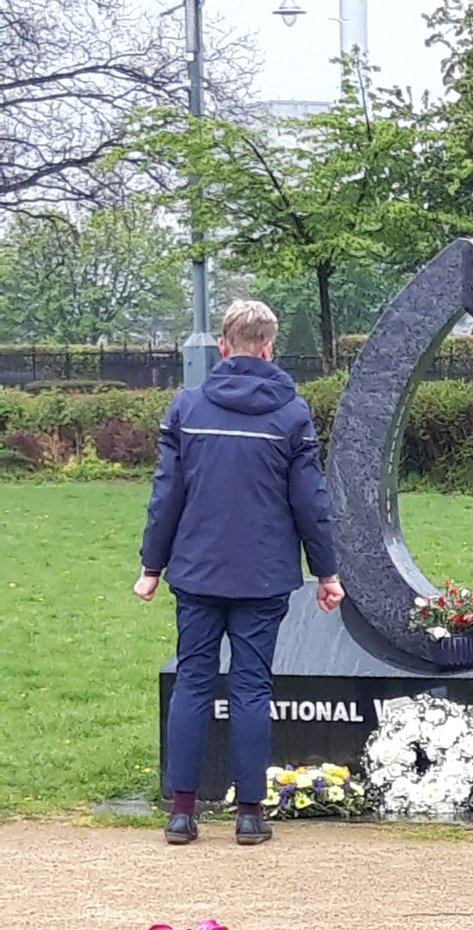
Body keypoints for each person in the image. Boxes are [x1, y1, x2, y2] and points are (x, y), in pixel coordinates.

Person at [135, 299, 344, 847]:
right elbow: (310, 503)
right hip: (264, 575)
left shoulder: (187, 408)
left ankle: (182, 813)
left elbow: (167, 497)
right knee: (253, 687)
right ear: (269, 347)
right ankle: (250, 815)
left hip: (197, 573)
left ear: (223, 346)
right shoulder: (292, 414)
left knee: (193, 683)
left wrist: (151, 567)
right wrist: (326, 572)